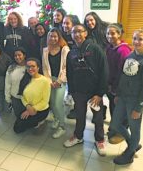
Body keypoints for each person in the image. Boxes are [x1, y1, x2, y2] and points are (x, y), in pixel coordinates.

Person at [111, 28, 143, 165]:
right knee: (116, 124)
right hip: (123, 98)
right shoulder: (130, 56)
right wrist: (118, 94)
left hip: (135, 101)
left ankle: (129, 153)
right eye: (135, 38)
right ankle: (133, 144)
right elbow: (124, 77)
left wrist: (139, 108)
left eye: (140, 39)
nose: (136, 42)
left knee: (134, 127)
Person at [64, 24, 108, 157]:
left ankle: (99, 140)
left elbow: (104, 71)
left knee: (98, 117)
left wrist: (99, 94)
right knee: (80, 115)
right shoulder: (72, 52)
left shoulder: (95, 49)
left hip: (94, 93)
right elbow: (70, 74)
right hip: (79, 92)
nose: (76, 34)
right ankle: (78, 136)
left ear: (85, 33)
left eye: (79, 31)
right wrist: (71, 91)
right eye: (73, 32)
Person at [105, 23, 131, 143]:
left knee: (121, 110)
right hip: (111, 85)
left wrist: (117, 90)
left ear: (119, 34)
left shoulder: (123, 50)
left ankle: (121, 132)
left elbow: (123, 73)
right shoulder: (110, 47)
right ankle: (115, 127)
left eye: (113, 33)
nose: (110, 36)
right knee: (113, 107)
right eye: (108, 33)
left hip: (120, 87)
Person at [42, 28, 69, 138]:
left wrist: (58, 81)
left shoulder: (64, 49)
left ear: (59, 37)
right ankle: (57, 119)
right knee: (52, 103)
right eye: (50, 36)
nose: (53, 38)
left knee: (58, 104)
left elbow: (66, 68)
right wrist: (49, 81)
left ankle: (62, 127)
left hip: (60, 80)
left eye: (55, 36)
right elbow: (44, 68)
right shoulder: (45, 50)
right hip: (49, 80)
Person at [13, 58, 51, 133]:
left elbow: (45, 101)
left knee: (27, 124)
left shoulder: (45, 81)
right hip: (28, 107)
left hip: (41, 110)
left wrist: (33, 109)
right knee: (17, 129)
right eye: (28, 66)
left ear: (38, 67)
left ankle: (40, 122)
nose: (30, 69)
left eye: (33, 66)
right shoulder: (25, 79)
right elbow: (22, 96)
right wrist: (28, 107)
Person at [5, 47, 27, 117]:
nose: (17, 57)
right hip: (15, 97)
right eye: (15, 56)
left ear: (24, 55)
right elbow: (7, 83)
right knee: (19, 116)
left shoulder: (30, 67)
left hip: (28, 98)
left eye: (19, 55)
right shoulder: (11, 68)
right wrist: (7, 97)